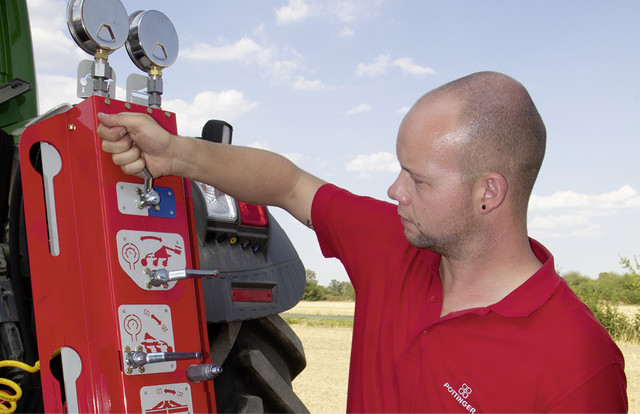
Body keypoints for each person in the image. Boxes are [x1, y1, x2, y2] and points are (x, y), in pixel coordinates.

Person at [98, 71, 628, 413]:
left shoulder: (578, 364)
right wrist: (176, 156)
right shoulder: (393, 245)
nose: (394, 191)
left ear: (488, 193)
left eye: (418, 180)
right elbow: (289, 183)